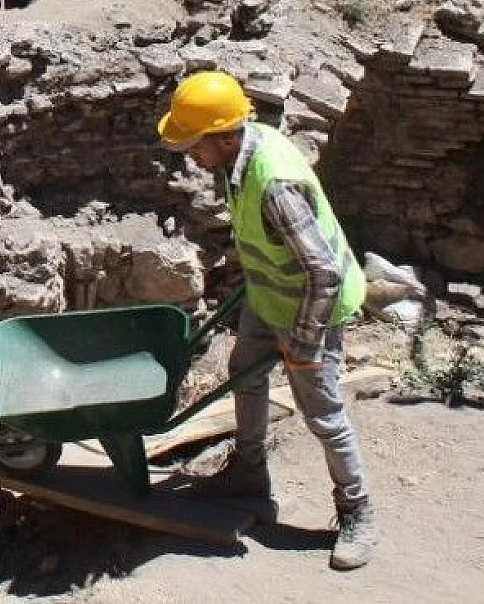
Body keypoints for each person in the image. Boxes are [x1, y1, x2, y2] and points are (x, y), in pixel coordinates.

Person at [157, 70, 378, 572]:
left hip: (310, 308)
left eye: (194, 144)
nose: (191, 154)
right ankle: (250, 474)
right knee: (245, 375)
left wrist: (303, 345)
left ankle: (357, 510)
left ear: (223, 135)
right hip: (270, 296)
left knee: (321, 412)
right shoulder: (241, 152)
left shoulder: (274, 184)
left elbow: (322, 273)